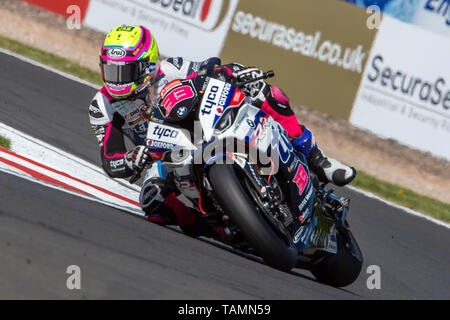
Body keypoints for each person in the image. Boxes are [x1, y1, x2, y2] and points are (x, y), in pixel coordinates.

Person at [89, 25, 356, 236]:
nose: (116, 80)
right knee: (153, 202)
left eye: (124, 71)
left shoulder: (172, 69)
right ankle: (220, 227)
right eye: (111, 71)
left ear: (146, 65)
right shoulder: (102, 106)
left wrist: (236, 73)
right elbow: (109, 159)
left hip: (202, 128)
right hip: (162, 158)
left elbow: (211, 71)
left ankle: (316, 158)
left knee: (269, 93)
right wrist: (130, 159)